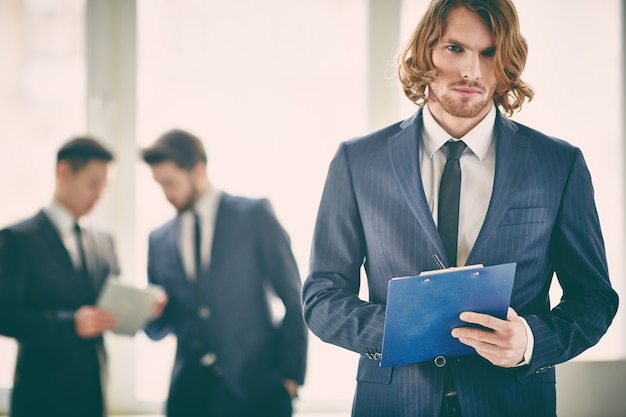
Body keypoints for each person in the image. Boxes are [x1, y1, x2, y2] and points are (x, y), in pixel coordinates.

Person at [301, 1, 619, 416]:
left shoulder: (558, 164)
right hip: (393, 403)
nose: (471, 70)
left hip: (513, 402)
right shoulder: (357, 161)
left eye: (489, 53)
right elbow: (322, 297)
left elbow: (594, 299)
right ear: (424, 53)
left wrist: (531, 341)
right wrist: (404, 332)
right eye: (455, 48)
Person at [141, 129, 307, 417]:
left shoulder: (254, 215)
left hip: (258, 390)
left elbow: (295, 297)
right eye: (159, 185)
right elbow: (161, 325)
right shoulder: (159, 239)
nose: (167, 194)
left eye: (171, 183)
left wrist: (290, 377)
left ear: (198, 170)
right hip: (188, 396)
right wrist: (147, 312)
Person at [0, 137, 119, 417]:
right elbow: (4, 314)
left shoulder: (104, 242)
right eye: (94, 183)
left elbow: (109, 300)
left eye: (105, 185)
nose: (100, 194)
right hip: (42, 396)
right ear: (64, 173)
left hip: (94, 394)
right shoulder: (18, 239)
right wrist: (70, 324)